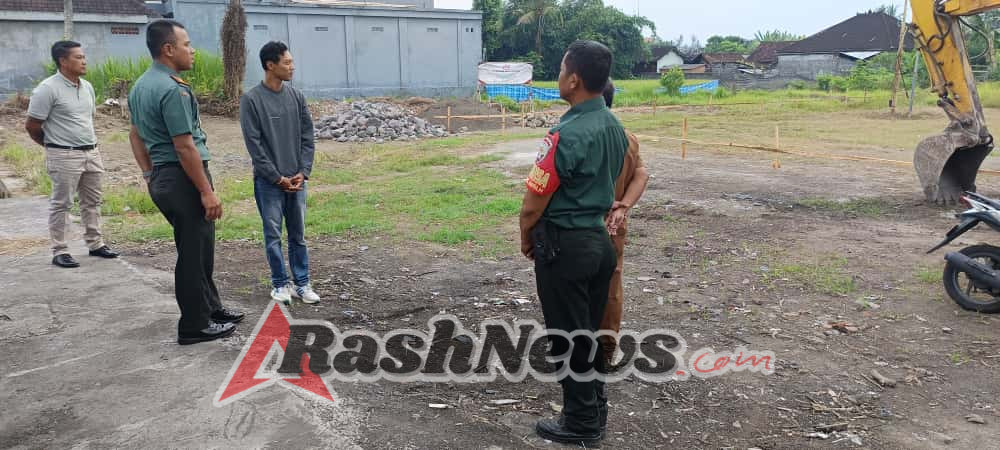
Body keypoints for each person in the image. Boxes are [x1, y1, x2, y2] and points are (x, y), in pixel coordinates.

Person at [519, 40, 627, 447]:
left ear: (574, 79)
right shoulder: (614, 126)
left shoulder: (565, 132)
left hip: (567, 246)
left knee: (568, 335)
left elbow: (534, 201)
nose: (559, 76)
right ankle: (594, 408)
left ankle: (581, 423)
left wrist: (527, 236)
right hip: (600, 244)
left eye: (562, 69)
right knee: (590, 333)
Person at [127, 20, 244, 345]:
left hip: (165, 176)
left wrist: (149, 174)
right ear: (168, 49)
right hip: (183, 177)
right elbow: (184, 145)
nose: (192, 51)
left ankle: (210, 308)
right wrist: (206, 191)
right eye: (187, 44)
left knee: (200, 247)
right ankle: (194, 325)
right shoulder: (171, 88)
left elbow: (135, 135)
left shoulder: (141, 85)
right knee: (193, 254)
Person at [25, 41, 119, 268]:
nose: (84, 61)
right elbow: (32, 125)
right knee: (62, 203)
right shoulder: (47, 89)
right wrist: (53, 147)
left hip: (91, 152)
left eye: (83, 56)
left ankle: (95, 243)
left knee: (93, 201)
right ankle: (60, 250)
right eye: (78, 57)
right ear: (63, 61)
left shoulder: (87, 86)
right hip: (63, 155)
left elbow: (87, 120)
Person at [239, 41, 319, 305]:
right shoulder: (252, 100)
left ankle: (302, 283)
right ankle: (280, 284)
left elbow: (308, 136)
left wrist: (303, 172)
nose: (292, 67)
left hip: (296, 181)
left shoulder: (296, 97)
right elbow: (255, 145)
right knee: (273, 235)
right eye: (287, 62)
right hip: (269, 184)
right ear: (270, 65)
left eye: (292, 62)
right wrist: (276, 177)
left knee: (298, 235)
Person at [598, 80, 650, 368]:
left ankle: (576, 349)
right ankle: (606, 349)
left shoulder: (576, 135)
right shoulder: (627, 137)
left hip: (580, 226)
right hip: (614, 224)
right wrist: (625, 205)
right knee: (611, 284)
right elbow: (642, 173)